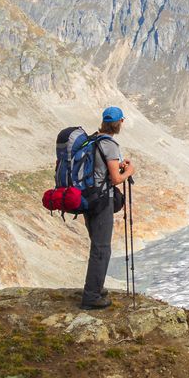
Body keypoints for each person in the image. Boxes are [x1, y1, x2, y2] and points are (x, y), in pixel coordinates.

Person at [80, 105, 135, 310]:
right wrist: (129, 171)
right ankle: (91, 296)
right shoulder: (109, 145)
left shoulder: (93, 139)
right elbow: (115, 178)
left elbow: (99, 171)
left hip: (88, 198)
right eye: (122, 121)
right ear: (120, 122)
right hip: (102, 201)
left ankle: (96, 287)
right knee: (102, 249)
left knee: (97, 245)